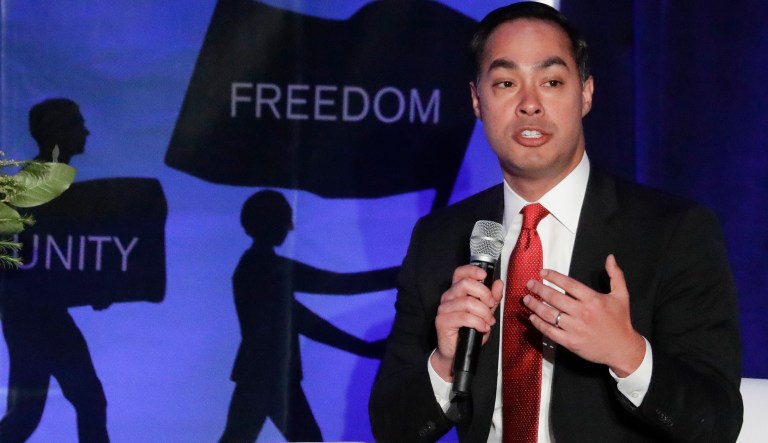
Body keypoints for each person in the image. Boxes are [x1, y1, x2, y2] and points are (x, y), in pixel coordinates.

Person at [369, 3, 742, 442]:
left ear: (585, 93)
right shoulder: (441, 238)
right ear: (476, 100)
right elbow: (393, 429)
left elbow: (717, 423)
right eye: (506, 83)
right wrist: (445, 363)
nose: (529, 104)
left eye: (551, 82)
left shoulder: (674, 231)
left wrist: (628, 354)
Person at [219, 190, 397, 443]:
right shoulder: (266, 268)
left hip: (263, 374)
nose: (289, 228)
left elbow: (310, 315)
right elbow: (337, 289)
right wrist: (407, 270)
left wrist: (364, 348)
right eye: (284, 220)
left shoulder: (258, 266)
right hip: (268, 375)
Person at [0, 98, 110, 442]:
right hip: (31, 316)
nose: (86, 131)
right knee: (29, 413)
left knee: (85, 400)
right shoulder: (35, 186)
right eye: (78, 124)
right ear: (58, 133)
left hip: (42, 314)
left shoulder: (53, 183)